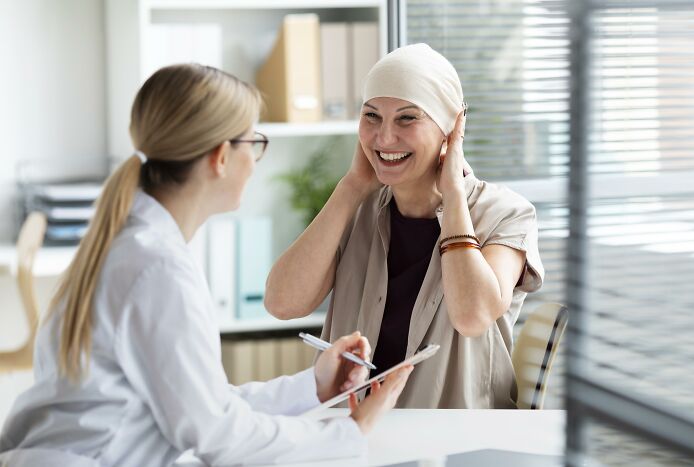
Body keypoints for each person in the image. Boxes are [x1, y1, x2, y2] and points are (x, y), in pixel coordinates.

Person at [0, 64, 413, 467]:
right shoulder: (157, 269)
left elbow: (199, 403)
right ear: (220, 157)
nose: (255, 161)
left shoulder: (129, 244)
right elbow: (216, 435)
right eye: (255, 144)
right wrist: (350, 432)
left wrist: (313, 386)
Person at [265, 43, 544, 409]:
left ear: (451, 129)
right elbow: (282, 304)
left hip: (454, 441)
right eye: (372, 116)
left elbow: (472, 316)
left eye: (407, 118)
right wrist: (350, 187)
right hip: (354, 433)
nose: (384, 138)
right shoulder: (357, 208)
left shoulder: (504, 213)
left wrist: (454, 195)